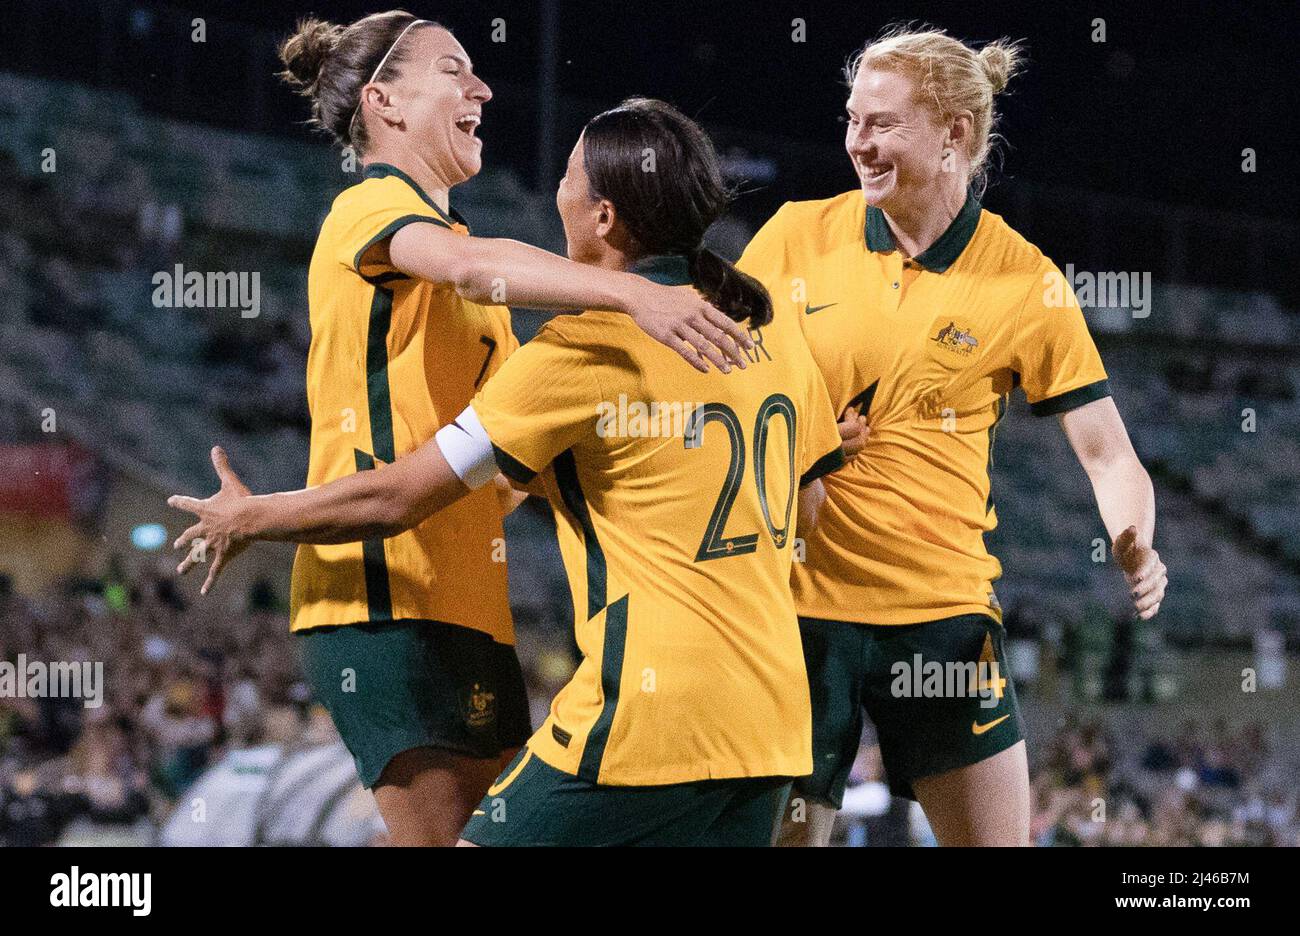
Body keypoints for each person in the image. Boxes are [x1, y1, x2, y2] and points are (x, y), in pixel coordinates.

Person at [169, 98, 847, 846]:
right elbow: (807, 510)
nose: (555, 188)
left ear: (603, 219)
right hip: (773, 722)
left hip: (646, 719)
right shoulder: (771, 332)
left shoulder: (579, 351)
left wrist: (253, 516)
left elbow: (397, 497)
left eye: (566, 175)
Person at [261, 10, 753, 846]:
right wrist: (633, 290)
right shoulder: (370, 207)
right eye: (455, 69)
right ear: (383, 102)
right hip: (389, 599)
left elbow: (502, 472)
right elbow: (474, 267)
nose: (483, 87)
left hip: (465, 603)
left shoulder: (455, 260)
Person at [736, 25, 1169, 846]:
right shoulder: (793, 236)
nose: (856, 142)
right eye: (853, 119)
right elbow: (717, 384)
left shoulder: (1023, 279)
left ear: (954, 134)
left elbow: (1110, 454)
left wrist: (1133, 537)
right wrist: (799, 441)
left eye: (881, 123)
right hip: (794, 613)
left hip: (942, 619)